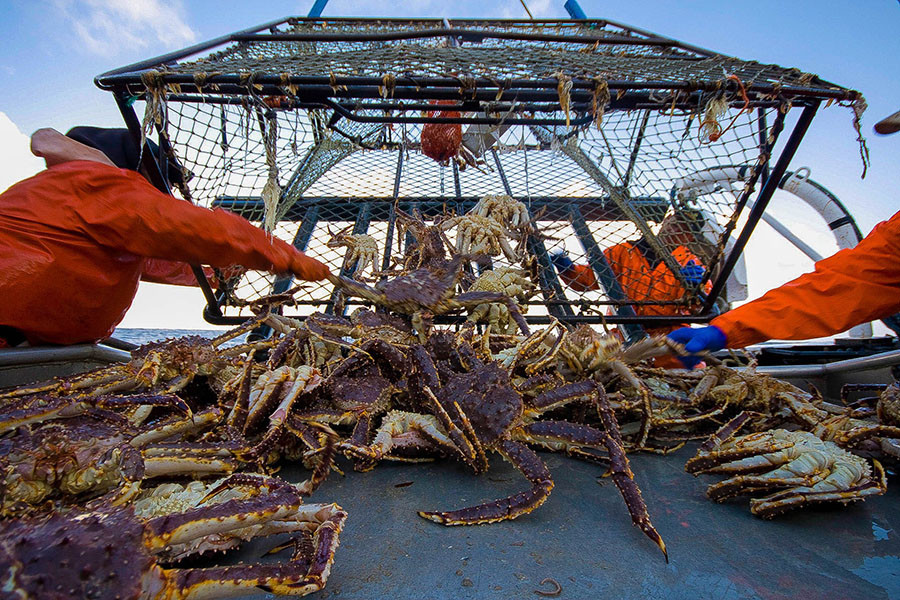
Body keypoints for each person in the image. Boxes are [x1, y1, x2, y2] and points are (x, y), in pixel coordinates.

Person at [0, 127, 330, 347]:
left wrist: (217, 275)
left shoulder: (58, 198)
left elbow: (155, 262)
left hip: (24, 342)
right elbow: (190, 228)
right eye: (162, 183)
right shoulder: (92, 181)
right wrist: (285, 255)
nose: (165, 193)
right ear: (136, 167)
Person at [669, 109, 900, 368]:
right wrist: (725, 329)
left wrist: (697, 291)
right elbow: (842, 287)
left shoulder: (690, 261)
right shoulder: (895, 238)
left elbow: (705, 295)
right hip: (663, 343)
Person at [551, 210, 712, 334]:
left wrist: (699, 291)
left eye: (685, 230)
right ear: (667, 220)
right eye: (676, 224)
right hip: (624, 332)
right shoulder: (623, 252)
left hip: (671, 338)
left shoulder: (692, 264)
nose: (677, 231)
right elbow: (586, 279)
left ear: (690, 238)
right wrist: (565, 265)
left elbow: (704, 307)